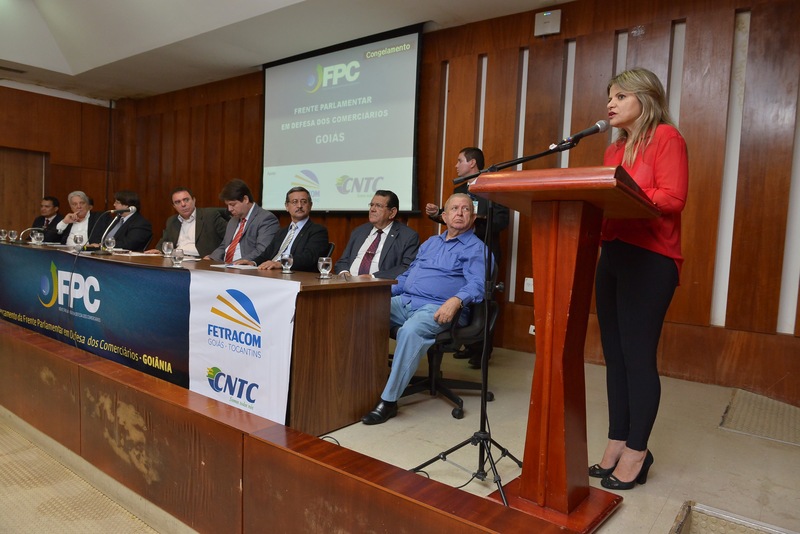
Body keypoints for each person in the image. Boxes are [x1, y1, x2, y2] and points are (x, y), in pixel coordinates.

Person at [588, 67, 688, 491]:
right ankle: (617, 440)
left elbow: (672, 197)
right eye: (609, 96)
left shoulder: (666, 137)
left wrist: (622, 198)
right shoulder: (614, 150)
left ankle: (637, 450)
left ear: (645, 99)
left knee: (637, 356)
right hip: (612, 255)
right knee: (614, 356)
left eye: (620, 96)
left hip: (651, 258)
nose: (610, 104)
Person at [361, 193, 487, 425]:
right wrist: (378, 295)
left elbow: (478, 285)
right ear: (444, 216)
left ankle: (388, 401)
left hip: (439, 308)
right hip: (407, 300)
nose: (460, 213)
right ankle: (361, 385)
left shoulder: (476, 248)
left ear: (473, 217)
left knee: (410, 331)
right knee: (361, 312)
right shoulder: (431, 243)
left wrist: (456, 300)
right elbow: (406, 276)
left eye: (466, 209)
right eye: (454, 209)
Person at [425, 147, 509, 368]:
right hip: (457, 253)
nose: (456, 165)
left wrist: (477, 220)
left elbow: (502, 221)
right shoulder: (460, 189)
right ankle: (467, 344)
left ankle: (482, 351)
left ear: (472, 163)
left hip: (482, 251)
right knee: (462, 296)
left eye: (459, 160)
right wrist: (437, 215)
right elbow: (453, 220)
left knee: (482, 299)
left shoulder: (493, 186)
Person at [334, 190, 419, 279]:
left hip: (379, 284)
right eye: (371, 205)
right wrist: (344, 272)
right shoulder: (359, 231)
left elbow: (406, 267)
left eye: (378, 206)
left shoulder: (408, 236)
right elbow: (343, 261)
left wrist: (373, 277)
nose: (372, 209)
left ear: (392, 212)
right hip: (349, 283)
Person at [241, 187, 329, 272]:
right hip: (272, 273)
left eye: (304, 202)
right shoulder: (282, 232)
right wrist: (253, 263)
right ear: (287, 206)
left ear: (310, 205)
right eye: (294, 202)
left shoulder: (318, 231)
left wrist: (281, 263)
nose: (299, 206)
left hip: (295, 275)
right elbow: (267, 254)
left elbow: (309, 258)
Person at [206, 179, 279, 263]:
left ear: (245, 199)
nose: (229, 209)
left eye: (232, 204)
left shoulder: (266, 219)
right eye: (228, 205)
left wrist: (236, 263)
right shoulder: (233, 220)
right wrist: (211, 258)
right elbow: (224, 246)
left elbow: (262, 250)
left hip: (246, 267)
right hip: (225, 266)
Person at [145, 187, 227, 257]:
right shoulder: (172, 221)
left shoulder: (210, 216)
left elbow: (230, 239)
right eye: (178, 202)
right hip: (176, 260)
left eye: (186, 200)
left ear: (194, 200)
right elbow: (164, 242)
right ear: (174, 206)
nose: (183, 204)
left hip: (201, 261)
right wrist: (158, 250)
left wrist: (214, 256)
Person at [88, 190, 153, 251]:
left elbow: (129, 244)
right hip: (104, 253)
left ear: (127, 205)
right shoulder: (116, 219)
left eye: (117, 202)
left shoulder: (140, 223)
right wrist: (96, 244)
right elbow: (101, 235)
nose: (114, 204)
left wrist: (103, 245)